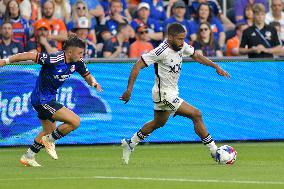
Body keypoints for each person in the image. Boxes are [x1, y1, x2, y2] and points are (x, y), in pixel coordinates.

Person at [119, 23, 230, 165]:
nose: (182, 42)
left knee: (158, 123)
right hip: (163, 94)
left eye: (183, 39)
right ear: (170, 37)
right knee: (196, 114)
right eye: (179, 39)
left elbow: (196, 56)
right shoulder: (161, 51)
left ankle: (130, 143)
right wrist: (129, 90)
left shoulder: (181, 46)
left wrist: (216, 66)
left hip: (171, 92)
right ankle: (215, 151)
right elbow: (137, 66)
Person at [0, 34, 103, 167]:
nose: (81, 55)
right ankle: (49, 140)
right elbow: (30, 55)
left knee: (49, 130)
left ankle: (28, 156)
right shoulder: (54, 59)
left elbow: (87, 75)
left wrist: (94, 83)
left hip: (49, 98)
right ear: (70, 52)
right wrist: (5, 61)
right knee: (75, 121)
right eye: (80, 53)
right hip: (41, 99)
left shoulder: (77, 62)